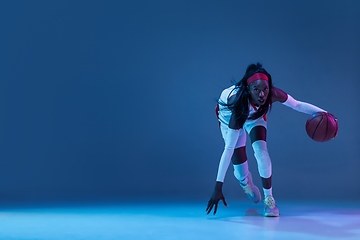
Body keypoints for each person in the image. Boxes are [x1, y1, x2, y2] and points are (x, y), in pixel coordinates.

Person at [206, 63, 328, 217]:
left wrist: (325, 113)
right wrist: (218, 187)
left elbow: (298, 105)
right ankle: (245, 182)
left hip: (254, 117)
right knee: (239, 166)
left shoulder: (271, 94)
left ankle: (269, 199)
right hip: (230, 116)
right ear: (248, 89)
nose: (262, 95)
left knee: (261, 152)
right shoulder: (237, 102)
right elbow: (228, 149)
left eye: (265, 89)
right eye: (256, 90)